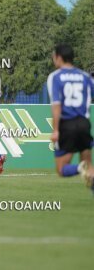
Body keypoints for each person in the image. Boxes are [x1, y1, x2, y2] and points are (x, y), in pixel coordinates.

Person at [47, 44, 94, 193]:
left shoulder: (55, 77)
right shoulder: (85, 76)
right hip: (84, 123)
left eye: (54, 56)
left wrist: (55, 130)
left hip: (67, 125)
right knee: (89, 166)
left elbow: (56, 105)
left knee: (61, 169)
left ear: (59, 57)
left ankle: (80, 167)